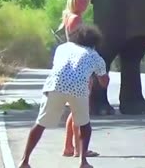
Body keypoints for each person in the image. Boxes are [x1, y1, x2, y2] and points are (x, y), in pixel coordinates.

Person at [18, 24, 110, 168]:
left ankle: (24, 161)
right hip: (78, 88)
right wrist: (100, 77)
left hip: (55, 85)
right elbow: (104, 82)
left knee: (40, 123)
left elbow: (60, 66)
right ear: (94, 42)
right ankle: (83, 161)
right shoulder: (95, 56)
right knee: (84, 124)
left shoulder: (62, 48)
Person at [58, 0, 101, 158]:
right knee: (81, 111)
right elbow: (81, 46)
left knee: (76, 110)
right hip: (78, 69)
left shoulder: (69, 17)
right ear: (73, 0)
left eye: (86, 1)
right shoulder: (75, 19)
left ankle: (68, 147)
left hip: (71, 67)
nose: (83, 3)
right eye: (80, 0)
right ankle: (78, 148)